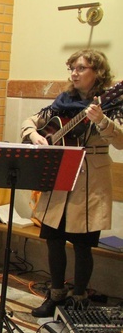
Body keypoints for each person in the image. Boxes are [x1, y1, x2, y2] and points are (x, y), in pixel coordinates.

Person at [21, 49, 123, 317]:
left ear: (97, 73)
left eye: (81, 68)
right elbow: (30, 121)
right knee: (53, 239)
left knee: (82, 243)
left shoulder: (111, 102)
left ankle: (79, 297)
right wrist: (34, 135)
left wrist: (101, 119)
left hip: (90, 180)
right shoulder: (63, 101)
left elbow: (121, 142)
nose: (74, 73)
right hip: (60, 175)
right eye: (72, 69)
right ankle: (55, 294)